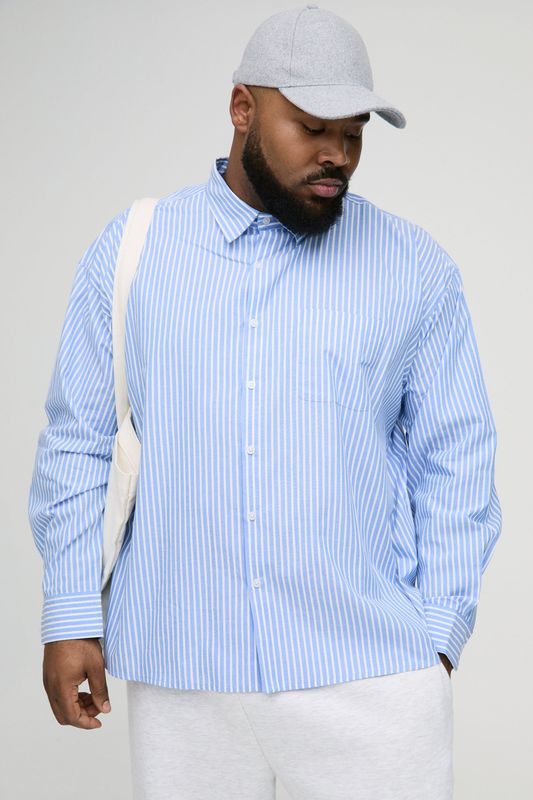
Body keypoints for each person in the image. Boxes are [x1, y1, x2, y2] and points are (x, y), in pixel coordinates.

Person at [28, 5, 502, 799]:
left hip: (370, 677)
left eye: (352, 133)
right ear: (242, 107)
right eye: (311, 127)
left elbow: (455, 456)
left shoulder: (412, 267)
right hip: (183, 679)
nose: (336, 154)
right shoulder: (134, 250)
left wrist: (436, 638)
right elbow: (79, 438)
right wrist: (70, 612)